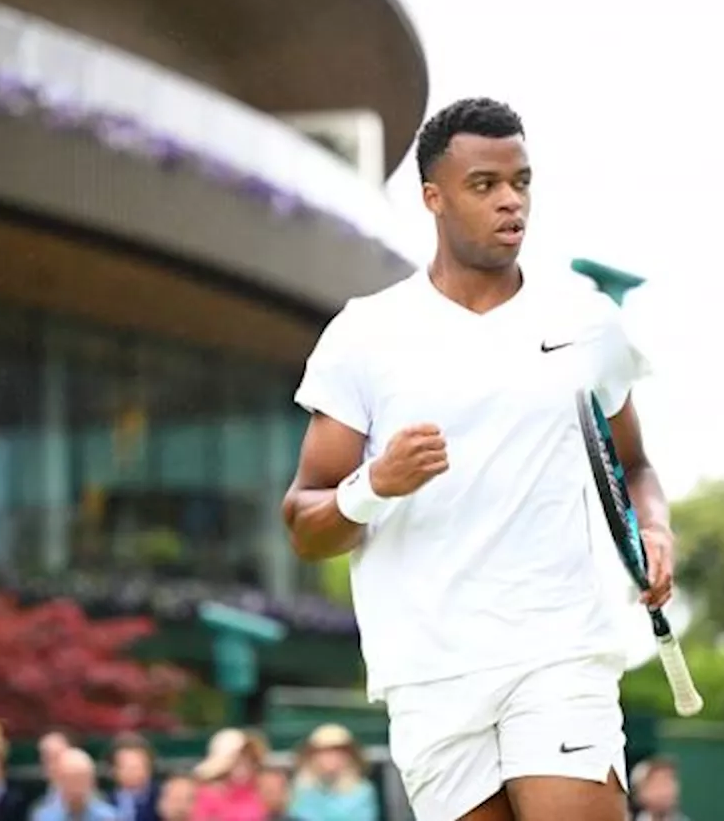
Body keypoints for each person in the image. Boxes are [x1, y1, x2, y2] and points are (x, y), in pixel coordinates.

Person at [282, 96, 673, 821]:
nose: (510, 202)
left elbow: (635, 465)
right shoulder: (365, 333)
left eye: (521, 181)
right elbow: (306, 523)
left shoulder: (587, 322)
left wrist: (655, 530)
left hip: (559, 649)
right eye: (484, 185)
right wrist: (376, 485)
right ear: (433, 197)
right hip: (429, 673)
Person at [289, 725, 378, 821]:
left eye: (338, 752)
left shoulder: (363, 791)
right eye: (324, 752)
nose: (331, 758)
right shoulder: (301, 789)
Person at [190, 729, 269, 821]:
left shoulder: (258, 794)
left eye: (248, 760)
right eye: (237, 761)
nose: (245, 767)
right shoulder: (207, 796)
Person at [32, 749, 116, 821]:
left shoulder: (108, 817)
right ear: (59, 781)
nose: (76, 787)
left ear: (92, 782)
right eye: (71, 779)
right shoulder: (43, 817)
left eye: (82, 779)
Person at [109, 733, 160, 821]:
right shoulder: (105, 802)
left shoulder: (162, 799)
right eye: (125, 766)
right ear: (113, 770)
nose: (132, 772)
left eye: (137, 766)